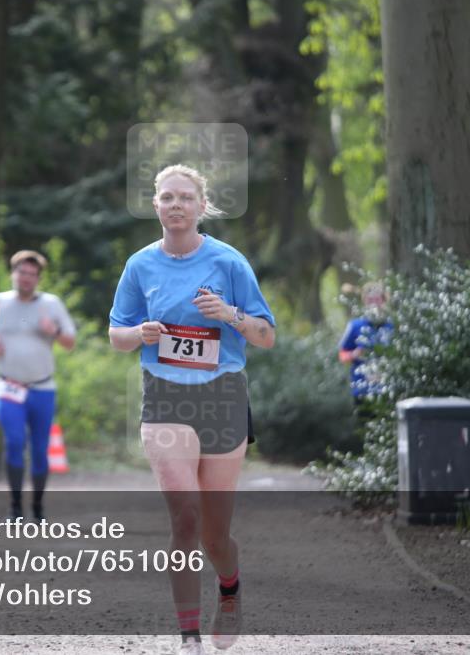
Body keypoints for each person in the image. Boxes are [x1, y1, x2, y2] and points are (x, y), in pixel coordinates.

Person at [108, 164, 275, 655]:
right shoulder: (140, 265)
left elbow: (266, 336)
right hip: (164, 397)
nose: (176, 205)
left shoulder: (229, 262)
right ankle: (189, 637)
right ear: (155, 205)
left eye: (185, 197)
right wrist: (139, 333)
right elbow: (116, 335)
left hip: (223, 396)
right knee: (184, 517)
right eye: (167, 197)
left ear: (202, 206)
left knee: (214, 534)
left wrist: (231, 315)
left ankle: (229, 585)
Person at [0, 249, 76, 521]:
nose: (26, 278)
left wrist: (54, 331)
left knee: (39, 448)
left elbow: (70, 342)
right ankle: (15, 506)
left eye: (32, 274)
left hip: (42, 387)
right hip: (9, 386)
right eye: (21, 272)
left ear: (38, 278)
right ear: (13, 273)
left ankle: (37, 507)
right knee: (14, 441)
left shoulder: (51, 304)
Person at [338, 282, 393, 406]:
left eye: (377, 299)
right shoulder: (355, 325)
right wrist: (355, 354)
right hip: (362, 390)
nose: (373, 303)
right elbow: (342, 355)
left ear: (384, 300)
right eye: (370, 299)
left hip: (388, 389)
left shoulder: (391, 326)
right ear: (364, 301)